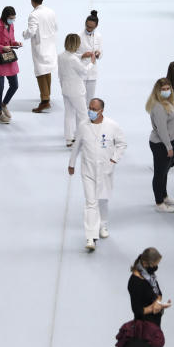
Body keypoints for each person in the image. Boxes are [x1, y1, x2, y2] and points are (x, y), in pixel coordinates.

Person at [68, 98, 127, 251]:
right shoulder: (83, 125)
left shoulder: (112, 126)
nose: (91, 111)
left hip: (105, 170)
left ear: (101, 110)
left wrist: (114, 160)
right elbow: (77, 145)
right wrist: (71, 163)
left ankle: (103, 225)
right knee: (90, 202)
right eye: (90, 108)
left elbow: (122, 144)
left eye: (94, 109)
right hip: (87, 170)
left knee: (102, 199)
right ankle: (90, 237)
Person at [128, 248, 170, 347]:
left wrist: (159, 302)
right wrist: (153, 307)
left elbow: (158, 292)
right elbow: (137, 311)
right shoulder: (135, 282)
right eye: (155, 265)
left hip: (154, 322)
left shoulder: (149, 275)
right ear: (146, 263)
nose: (156, 267)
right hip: (145, 326)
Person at [147, 78, 174, 213]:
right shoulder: (159, 107)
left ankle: (164, 196)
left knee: (165, 171)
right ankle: (159, 202)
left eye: (168, 89)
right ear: (158, 91)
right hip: (161, 144)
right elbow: (162, 130)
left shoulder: (169, 102)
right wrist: (169, 147)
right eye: (163, 89)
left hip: (170, 141)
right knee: (159, 173)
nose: (166, 91)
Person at [23, 0, 59, 113]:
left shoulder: (34, 15)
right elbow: (56, 27)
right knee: (47, 70)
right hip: (50, 44)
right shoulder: (51, 11)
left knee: (40, 72)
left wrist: (24, 34)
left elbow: (31, 31)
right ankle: (47, 95)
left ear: (32, 0)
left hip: (40, 46)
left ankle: (44, 101)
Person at [59, 33, 94, 146]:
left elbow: (70, 60)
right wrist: (92, 63)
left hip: (65, 89)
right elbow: (84, 71)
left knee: (68, 114)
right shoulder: (73, 59)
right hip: (76, 91)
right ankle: (87, 138)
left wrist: (81, 56)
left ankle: (69, 139)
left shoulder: (61, 56)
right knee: (83, 114)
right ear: (76, 44)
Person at [0, 6, 22, 124]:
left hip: (9, 58)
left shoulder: (11, 25)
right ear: (5, 17)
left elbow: (11, 40)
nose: (12, 20)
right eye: (10, 18)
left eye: (13, 18)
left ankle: (4, 104)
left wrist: (16, 43)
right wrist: (2, 48)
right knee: (0, 87)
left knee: (15, 85)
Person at [77, 10, 103, 102]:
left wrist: (98, 54)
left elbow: (101, 52)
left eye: (91, 27)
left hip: (92, 72)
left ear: (96, 26)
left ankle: (88, 116)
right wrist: (82, 55)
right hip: (81, 70)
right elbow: (72, 55)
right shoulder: (78, 36)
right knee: (80, 98)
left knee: (90, 99)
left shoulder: (98, 36)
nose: (89, 29)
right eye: (87, 26)